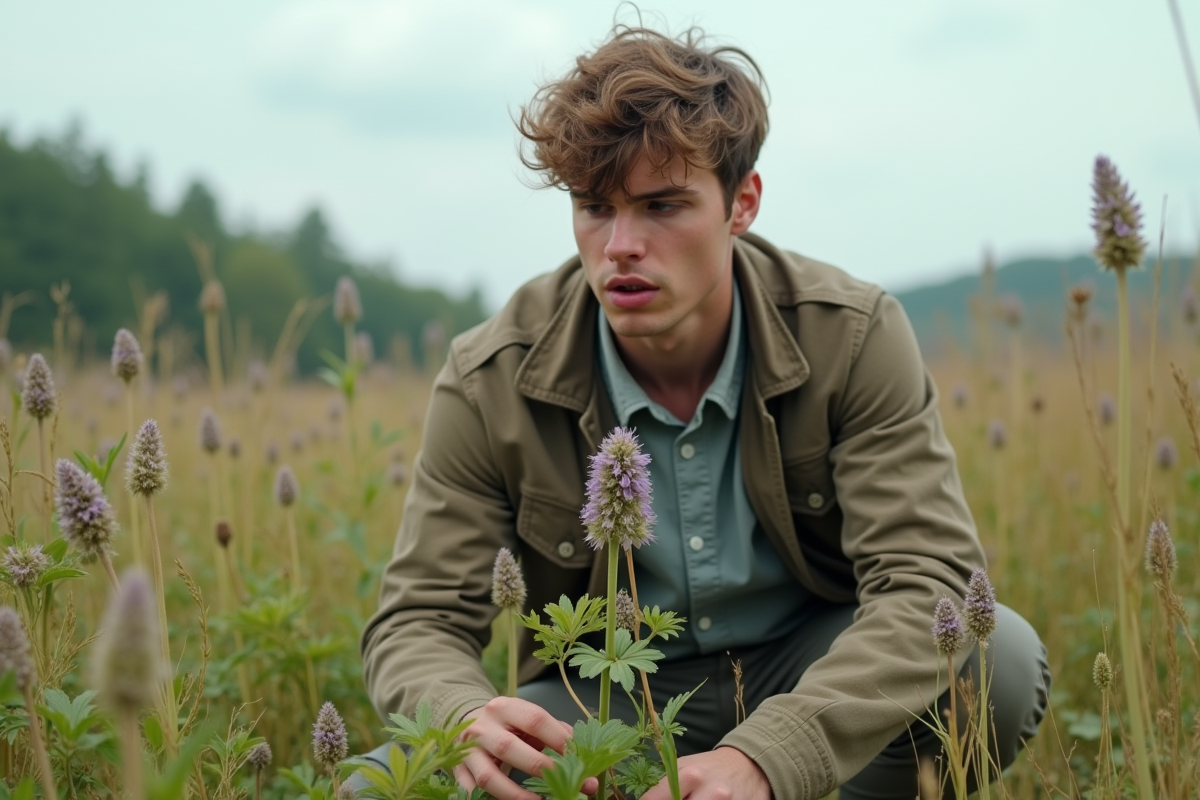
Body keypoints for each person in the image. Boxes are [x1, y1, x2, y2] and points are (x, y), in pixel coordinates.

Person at [359, 24, 1049, 800]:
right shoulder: (492, 375)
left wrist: (771, 756)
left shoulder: (851, 334)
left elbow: (930, 581)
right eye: (594, 207)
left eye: (662, 205)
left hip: (811, 668)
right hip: (602, 701)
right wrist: (462, 716)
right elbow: (416, 621)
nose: (620, 245)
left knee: (998, 662)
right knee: (388, 786)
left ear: (741, 203)